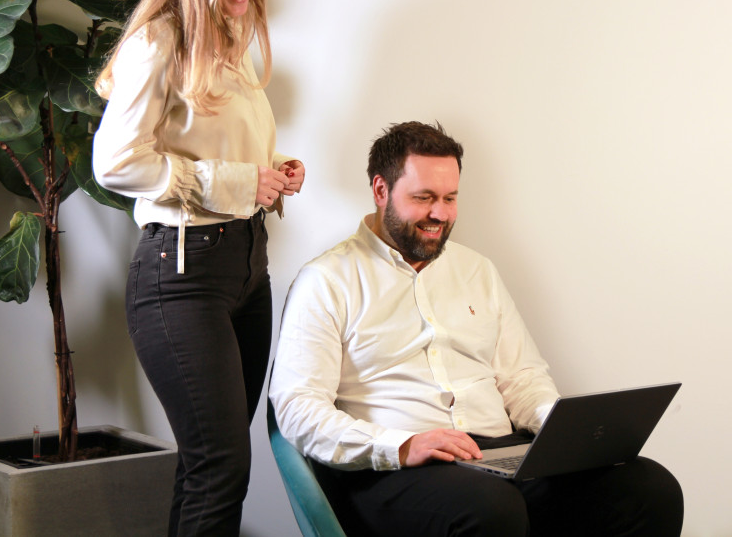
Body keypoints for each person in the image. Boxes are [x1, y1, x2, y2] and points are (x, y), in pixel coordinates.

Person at [269, 121, 681, 536]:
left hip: (500, 455)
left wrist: (557, 431)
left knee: (648, 488)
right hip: (396, 469)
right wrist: (401, 445)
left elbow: (521, 377)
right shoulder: (326, 280)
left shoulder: (477, 270)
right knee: (490, 509)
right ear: (381, 191)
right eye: (424, 197)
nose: (440, 214)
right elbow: (297, 408)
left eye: (450, 198)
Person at [92, 0, 305, 536]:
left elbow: (208, 150)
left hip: (245, 265)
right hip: (179, 275)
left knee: (209, 465)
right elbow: (114, 164)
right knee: (222, 469)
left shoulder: (229, 40)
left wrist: (267, 177)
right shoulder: (158, 43)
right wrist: (237, 180)